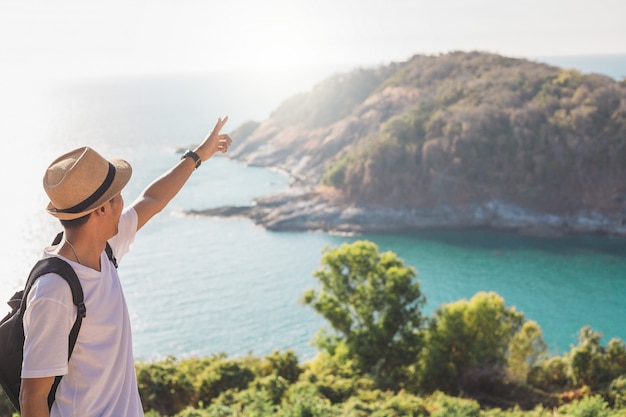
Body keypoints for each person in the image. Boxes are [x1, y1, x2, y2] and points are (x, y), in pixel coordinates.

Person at [19, 117, 232, 417]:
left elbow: (154, 198)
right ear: (102, 209)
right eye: (117, 194)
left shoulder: (105, 248)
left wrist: (198, 155)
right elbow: (33, 398)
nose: (123, 201)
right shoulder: (54, 290)